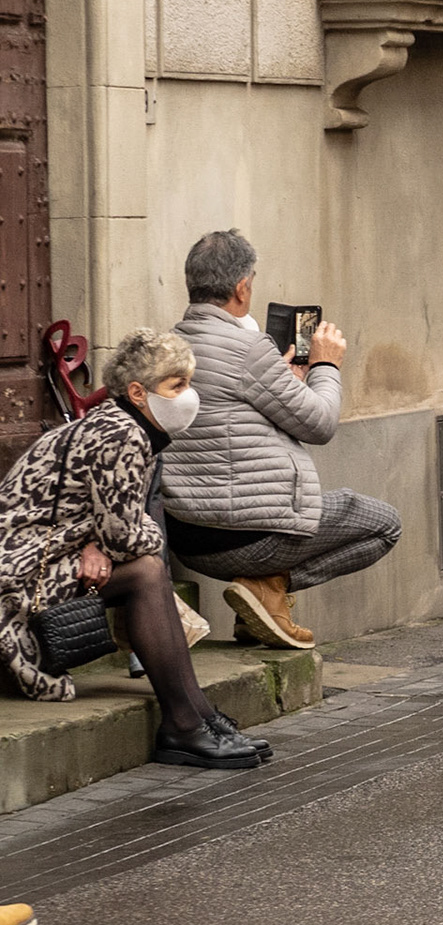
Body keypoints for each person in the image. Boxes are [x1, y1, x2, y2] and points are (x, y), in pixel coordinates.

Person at [0, 329, 265, 768]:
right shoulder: (124, 435)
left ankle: (196, 716)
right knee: (145, 570)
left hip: (34, 565)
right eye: (176, 386)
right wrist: (115, 539)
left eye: (188, 383)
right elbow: (124, 534)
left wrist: (100, 540)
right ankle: (186, 722)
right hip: (17, 579)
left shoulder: (118, 424)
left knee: (146, 569)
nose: (188, 396)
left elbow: (105, 521)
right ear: (139, 393)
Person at [162, 231, 400, 650]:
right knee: (384, 524)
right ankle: (267, 587)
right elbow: (321, 424)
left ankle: (260, 602)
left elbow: (232, 412)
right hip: (252, 540)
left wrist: (286, 383)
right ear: (242, 287)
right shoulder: (250, 348)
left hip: (188, 542)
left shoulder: (168, 347)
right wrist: (326, 365)